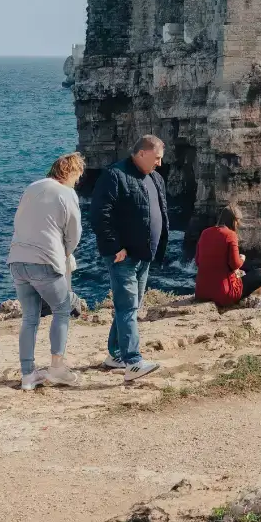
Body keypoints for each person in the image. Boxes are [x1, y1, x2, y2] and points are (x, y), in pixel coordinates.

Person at [90, 135, 169, 383]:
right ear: (143, 153)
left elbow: (160, 211)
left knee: (131, 307)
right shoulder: (114, 175)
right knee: (127, 307)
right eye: (157, 158)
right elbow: (99, 214)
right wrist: (115, 247)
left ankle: (116, 355)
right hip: (122, 256)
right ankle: (133, 362)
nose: (160, 163)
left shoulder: (154, 177)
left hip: (144, 253)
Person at [8, 152, 85, 389]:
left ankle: (27, 373)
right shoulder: (66, 193)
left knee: (30, 318)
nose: (78, 181)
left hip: (17, 260)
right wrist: (65, 253)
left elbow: (18, 221)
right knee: (62, 308)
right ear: (71, 172)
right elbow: (74, 233)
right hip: (44, 262)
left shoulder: (32, 188)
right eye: (78, 176)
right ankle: (57, 367)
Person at [195, 205, 261, 308]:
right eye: (238, 222)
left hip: (202, 292)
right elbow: (235, 264)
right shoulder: (230, 235)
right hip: (224, 294)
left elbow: (198, 261)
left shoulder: (205, 233)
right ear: (234, 221)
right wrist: (242, 258)